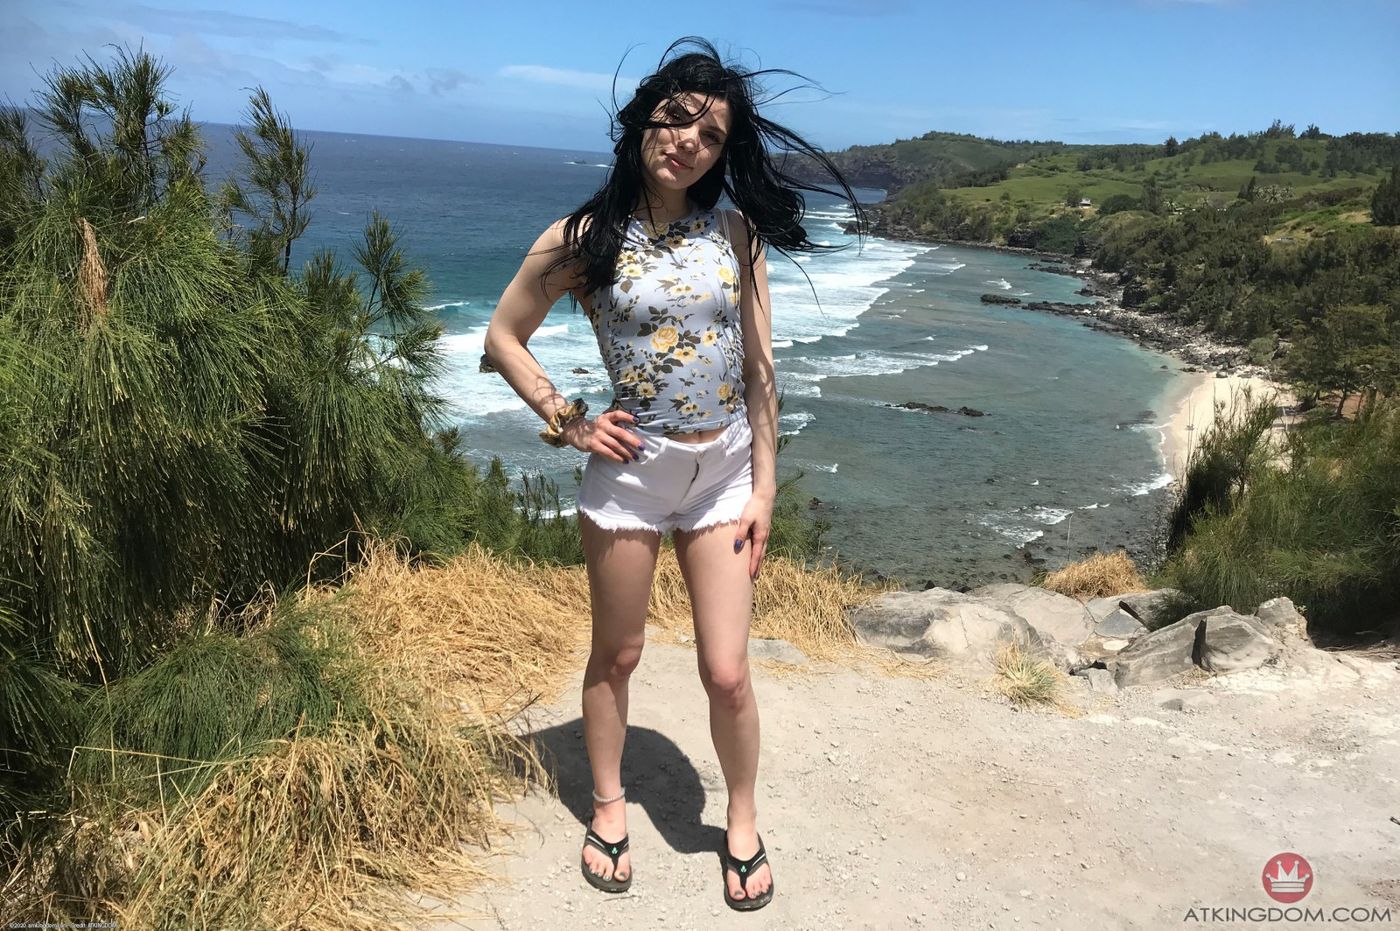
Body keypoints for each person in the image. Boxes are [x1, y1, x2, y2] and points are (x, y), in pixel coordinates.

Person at [482, 37, 861, 911]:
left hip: (723, 472)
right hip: (630, 476)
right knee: (617, 654)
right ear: (644, 118)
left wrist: (765, 487)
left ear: (722, 155)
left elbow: (760, 371)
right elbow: (503, 335)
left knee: (727, 671)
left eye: (711, 134)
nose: (690, 140)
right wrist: (570, 422)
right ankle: (609, 805)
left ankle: (741, 818)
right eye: (678, 118)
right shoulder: (582, 237)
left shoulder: (736, 234)